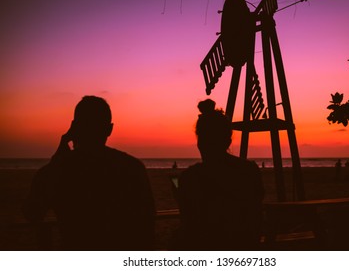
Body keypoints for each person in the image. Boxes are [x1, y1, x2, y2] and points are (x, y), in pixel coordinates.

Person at [23, 96, 155, 250]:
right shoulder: (132, 167)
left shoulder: (59, 170)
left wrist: (56, 161)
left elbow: (31, 212)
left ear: (74, 127)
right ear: (109, 129)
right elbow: (147, 223)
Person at [177, 99, 264, 250]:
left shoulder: (189, 177)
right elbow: (255, 214)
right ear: (228, 141)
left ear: (199, 142)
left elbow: (189, 221)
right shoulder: (249, 170)